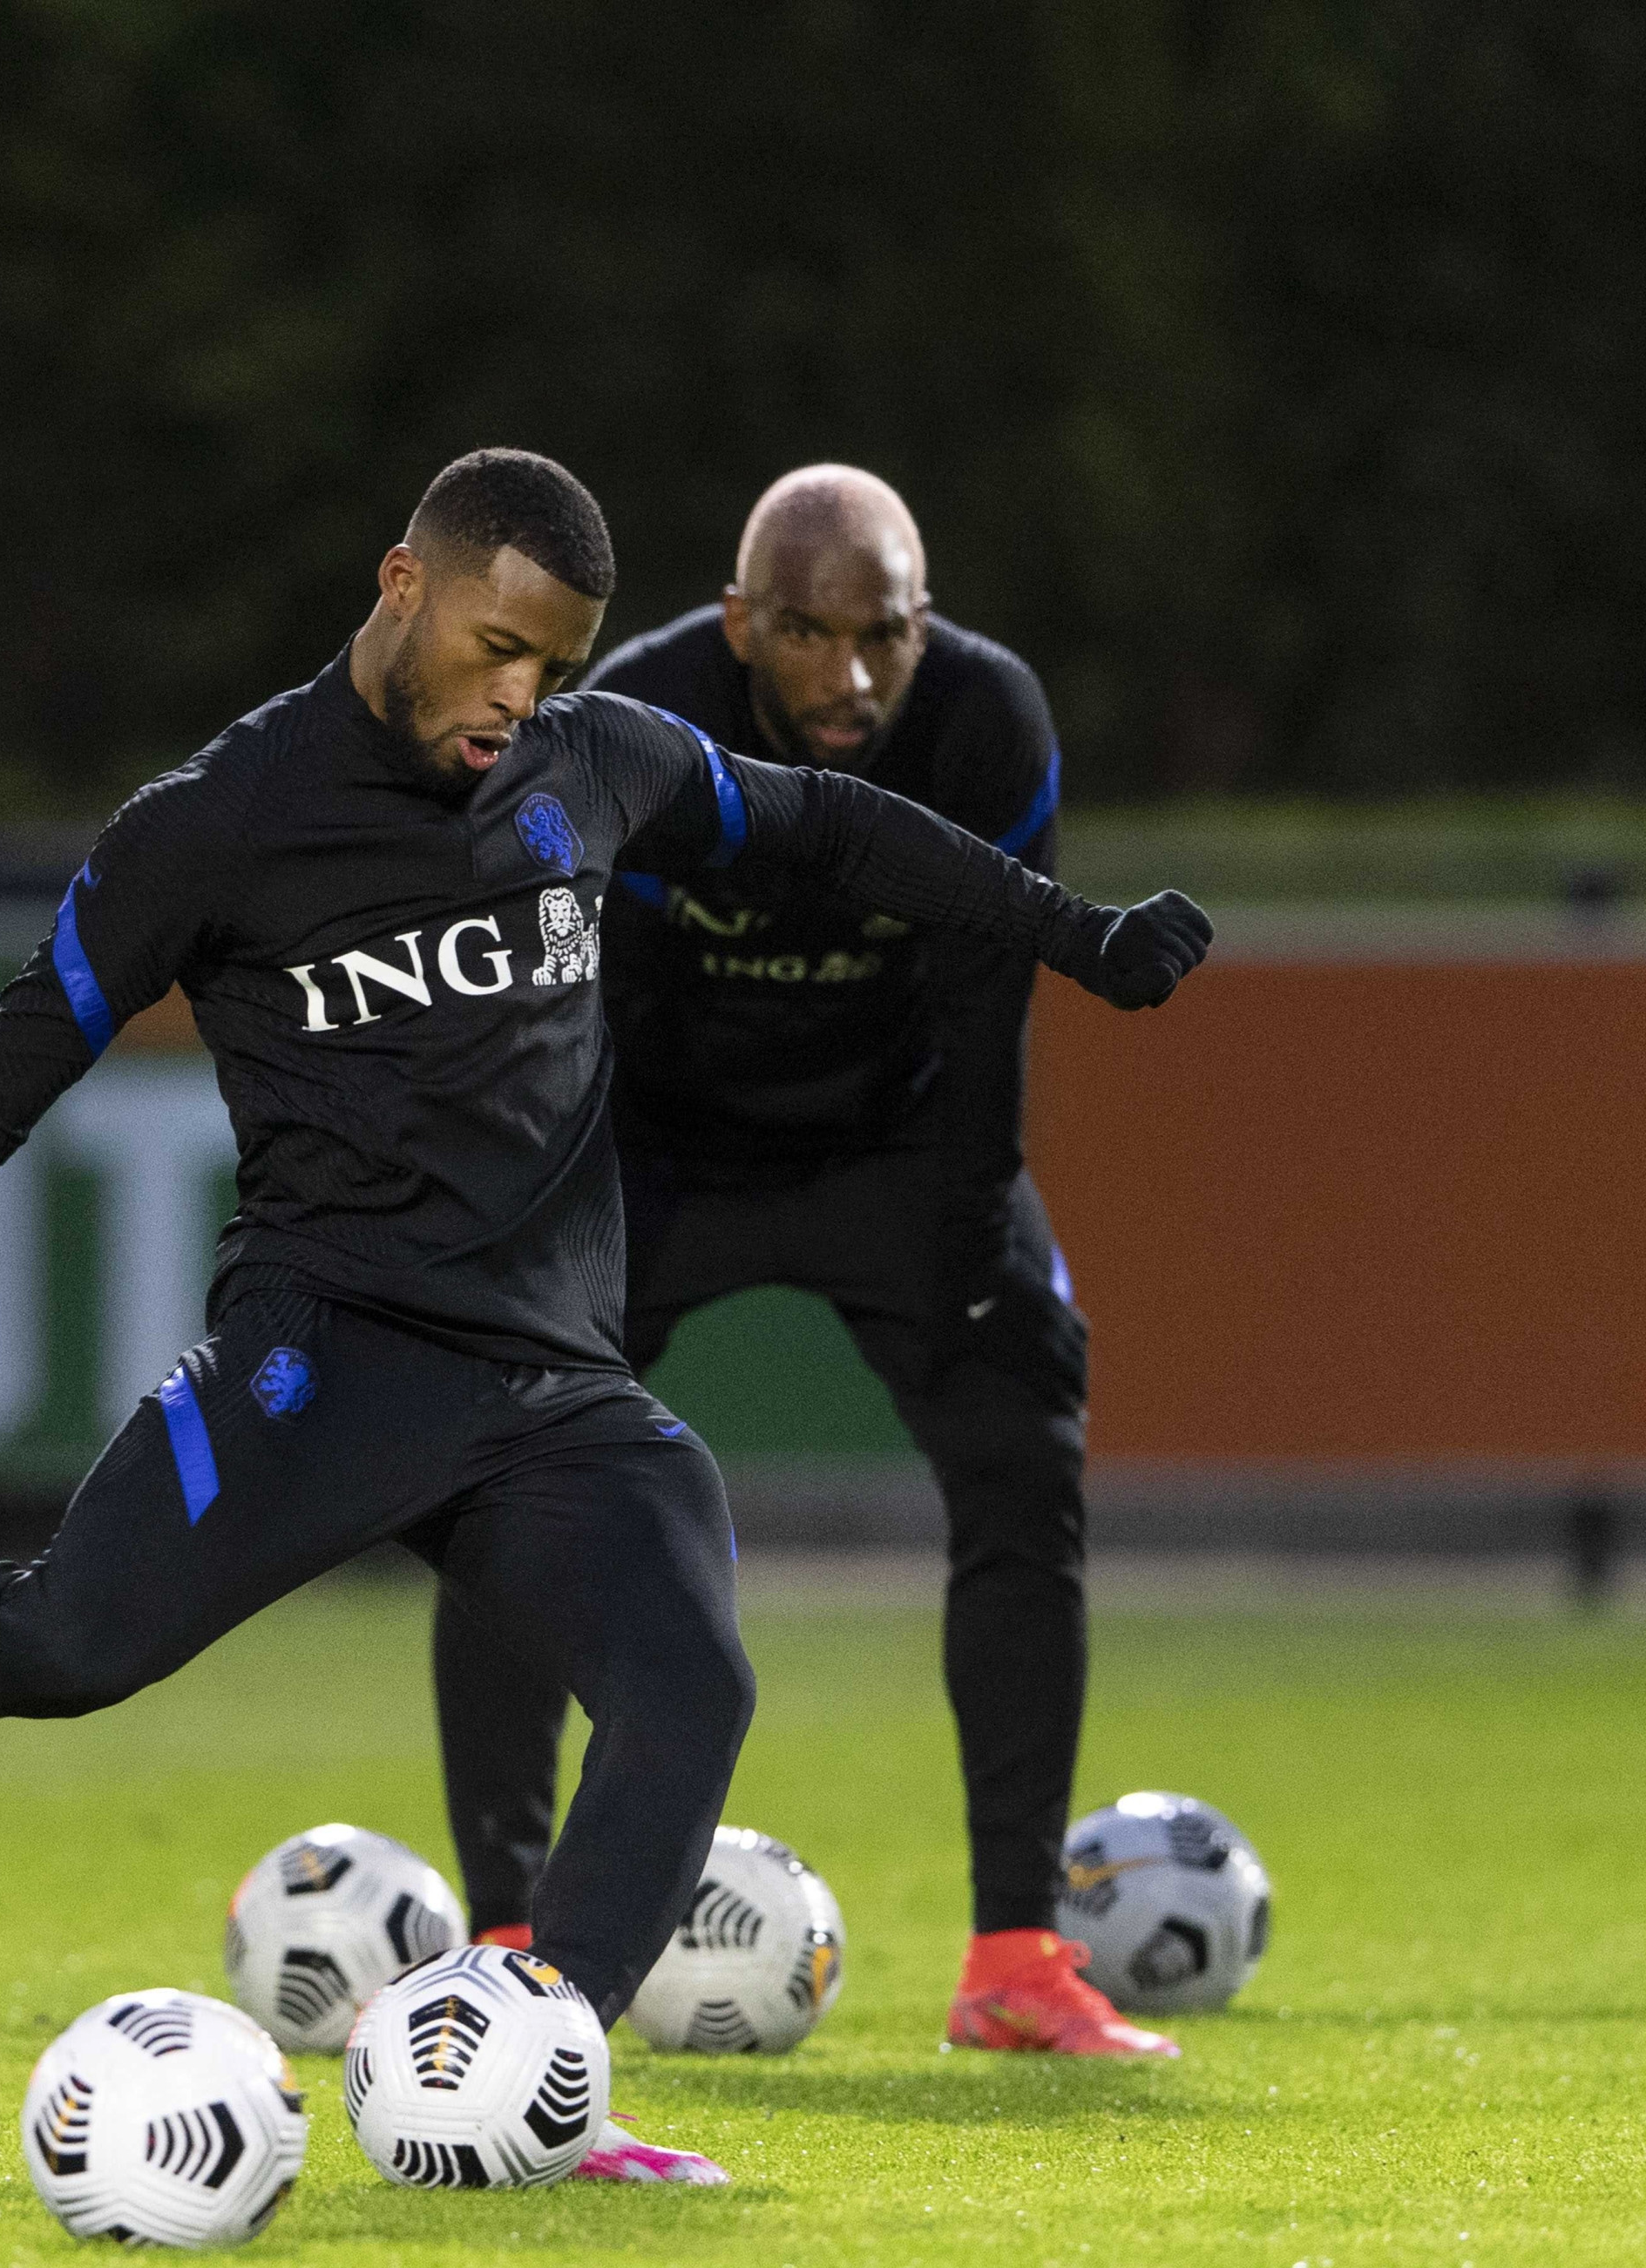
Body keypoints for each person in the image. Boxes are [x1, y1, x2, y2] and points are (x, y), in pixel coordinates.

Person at [0, 450, 1207, 2183]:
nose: (514, 694)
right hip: (323, 1356)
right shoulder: (216, 822)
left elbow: (832, 825)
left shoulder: (590, 765)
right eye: (492, 644)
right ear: (401, 586)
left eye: (557, 661)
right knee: (63, 1647)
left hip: (545, 1381)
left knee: (686, 1677)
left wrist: (1078, 934)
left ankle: (552, 2072)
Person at [426, 464, 1173, 2057]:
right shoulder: (635, 713)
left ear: (926, 623)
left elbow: (990, 1005)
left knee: (1025, 1450)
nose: (850, 679)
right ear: (741, 620)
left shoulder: (988, 723)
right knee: (498, 1462)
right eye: (812, 638)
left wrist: (971, 1243)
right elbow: (563, 1008)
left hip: (895, 1145)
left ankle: (1018, 1960)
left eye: (884, 638)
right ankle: (500, 1938)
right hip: (660, 1145)